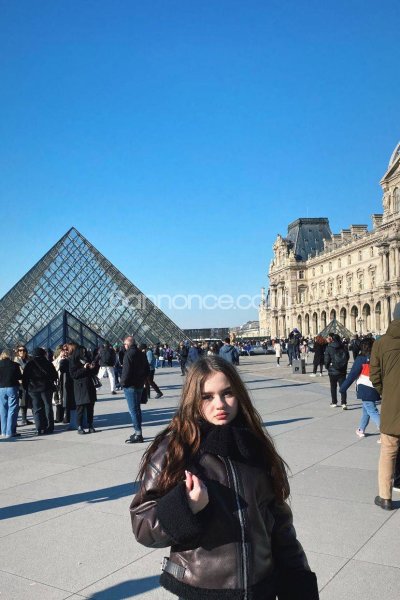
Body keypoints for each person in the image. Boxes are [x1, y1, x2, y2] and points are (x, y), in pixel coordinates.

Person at [129, 356, 319, 600]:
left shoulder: (255, 446)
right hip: (203, 592)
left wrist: (298, 582)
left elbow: (280, 525)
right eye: (207, 397)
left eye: (227, 393)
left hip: (260, 589)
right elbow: (142, 524)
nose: (220, 404)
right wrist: (187, 507)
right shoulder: (175, 449)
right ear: (193, 399)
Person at [370, 302, 400, 510]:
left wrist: (386, 393)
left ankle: (385, 498)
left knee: (389, 451)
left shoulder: (381, 343)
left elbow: (375, 375)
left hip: (392, 404)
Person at [339, 338, 380, 440]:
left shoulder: (361, 359)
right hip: (375, 387)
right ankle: (361, 429)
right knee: (366, 410)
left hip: (365, 388)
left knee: (372, 411)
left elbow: (352, 375)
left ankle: (386, 432)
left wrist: (343, 388)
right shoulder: (377, 357)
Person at [120, 336, 150, 444]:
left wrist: (122, 383)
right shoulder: (141, 353)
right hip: (139, 385)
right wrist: (141, 379)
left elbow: (126, 371)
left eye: (124, 344)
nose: (124, 346)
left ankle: (138, 434)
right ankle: (138, 432)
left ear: (128, 344)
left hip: (130, 386)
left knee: (133, 411)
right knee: (137, 409)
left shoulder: (128, 354)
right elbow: (147, 369)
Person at [22, 347, 58, 435]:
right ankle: (50, 426)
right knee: (48, 406)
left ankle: (39, 428)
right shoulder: (48, 363)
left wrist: (26, 388)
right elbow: (55, 375)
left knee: (36, 408)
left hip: (33, 389)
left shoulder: (29, 364)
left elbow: (25, 378)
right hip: (46, 388)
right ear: (43, 354)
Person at [69, 346, 99, 434]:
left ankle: (90, 425)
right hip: (80, 387)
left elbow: (94, 372)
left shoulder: (88, 359)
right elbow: (74, 375)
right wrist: (84, 369)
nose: (84, 353)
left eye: (85, 351)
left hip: (89, 386)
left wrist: (94, 367)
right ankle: (80, 426)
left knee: (90, 408)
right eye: (82, 352)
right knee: (80, 408)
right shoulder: (73, 361)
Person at [324, 333, 349, 409]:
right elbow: (347, 357)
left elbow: (326, 359)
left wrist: (327, 367)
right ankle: (344, 403)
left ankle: (334, 402)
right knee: (343, 386)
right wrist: (343, 365)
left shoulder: (329, 347)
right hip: (342, 370)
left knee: (333, 387)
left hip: (333, 370)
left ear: (332, 339)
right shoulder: (344, 346)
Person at [0, 349, 22, 438]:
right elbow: (19, 377)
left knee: (3, 409)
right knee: (12, 409)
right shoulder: (15, 365)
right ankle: (10, 432)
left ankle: (3, 431)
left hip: (1, 388)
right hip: (12, 387)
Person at [14, 345, 33, 425]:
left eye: (23, 350)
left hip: (27, 382)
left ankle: (24, 419)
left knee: (24, 401)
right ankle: (15, 420)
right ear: (17, 352)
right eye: (20, 350)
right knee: (20, 402)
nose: (22, 352)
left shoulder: (28, 359)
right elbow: (21, 371)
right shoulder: (16, 360)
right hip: (20, 383)